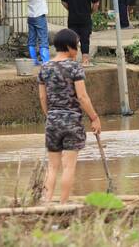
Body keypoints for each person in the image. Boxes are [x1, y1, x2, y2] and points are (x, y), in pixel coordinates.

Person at [39, 28, 101, 204]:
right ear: (68, 46)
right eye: (77, 45)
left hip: (52, 120)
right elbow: (82, 97)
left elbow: (43, 97)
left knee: (52, 166)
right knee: (68, 166)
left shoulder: (45, 68)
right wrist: (94, 117)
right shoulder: (74, 67)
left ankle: (46, 203)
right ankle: (63, 205)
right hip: (72, 121)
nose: (79, 49)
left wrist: (50, 115)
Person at [61, 0, 100, 67]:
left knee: (73, 39)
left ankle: (72, 60)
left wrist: (70, 9)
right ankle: (85, 61)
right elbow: (96, 3)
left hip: (72, 18)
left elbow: (63, 2)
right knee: (85, 39)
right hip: (85, 19)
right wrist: (91, 12)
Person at [24, 0, 54, 65]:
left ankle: (33, 61)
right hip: (39, 16)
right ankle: (45, 61)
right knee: (43, 38)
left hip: (31, 16)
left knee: (32, 38)